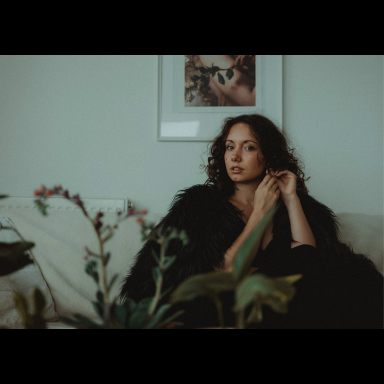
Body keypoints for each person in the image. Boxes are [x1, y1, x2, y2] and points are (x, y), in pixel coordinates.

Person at [120, 114, 383, 329]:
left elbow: (307, 257)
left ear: (268, 155)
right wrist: (259, 213)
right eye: (230, 147)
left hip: (272, 304)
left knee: (349, 277)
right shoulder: (202, 207)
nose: (234, 156)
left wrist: (291, 199)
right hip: (218, 301)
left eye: (248, 147)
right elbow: (227, 271)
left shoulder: (293, 209)